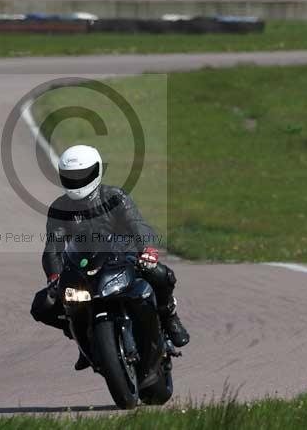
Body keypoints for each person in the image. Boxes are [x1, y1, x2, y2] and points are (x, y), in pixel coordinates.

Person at [30, 144, 190, 371]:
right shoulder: (59, 209)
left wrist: (148, 251)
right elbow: (53, 247)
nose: (77, 181)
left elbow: (138, 225)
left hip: (124, 258)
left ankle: (169, 317)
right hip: (85, 267)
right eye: (71, 177)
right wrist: (54, 276)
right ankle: (82, 338)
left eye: (82, 175)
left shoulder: (115, 197)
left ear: (96, 172)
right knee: (42, 305)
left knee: (160, 274)